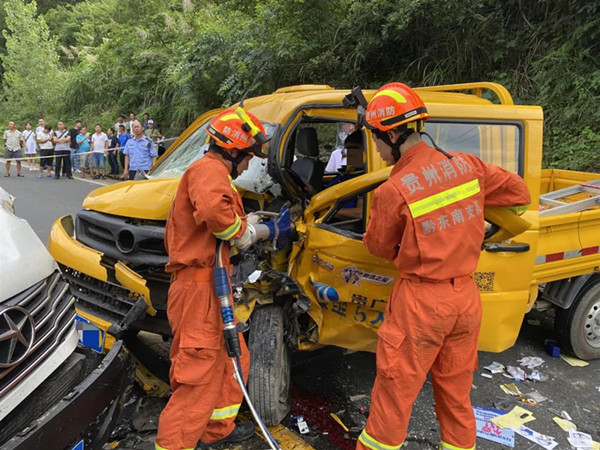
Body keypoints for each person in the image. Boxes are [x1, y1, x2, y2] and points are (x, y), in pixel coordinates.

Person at [356, 83, 531, 450]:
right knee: (455, 395)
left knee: (394, 397)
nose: (376, 148)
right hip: (465, 298)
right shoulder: (467, 165)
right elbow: (519, 195)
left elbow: (378, 248)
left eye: (374, 139)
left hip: (421, 304)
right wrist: (484, 223)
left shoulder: (393, 190)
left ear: (391, 135)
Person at [155, 108, 271, 450]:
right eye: (248, 157)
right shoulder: (209, 170)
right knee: (197, 377)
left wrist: (246, 223)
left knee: (233, 360)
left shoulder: (213, 173)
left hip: (211, 286)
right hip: (198, 289)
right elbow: (212, 212)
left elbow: (218, 212)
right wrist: (247, 232)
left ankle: (215, 430)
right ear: (233, 152)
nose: (248, 166)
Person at [326, 130, 365, 220]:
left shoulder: (364, 178)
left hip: (338, 224)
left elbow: (360, 213)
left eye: (354, 149)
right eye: (346, 149)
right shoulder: (343, 174)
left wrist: (328, 212)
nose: (348, 153)